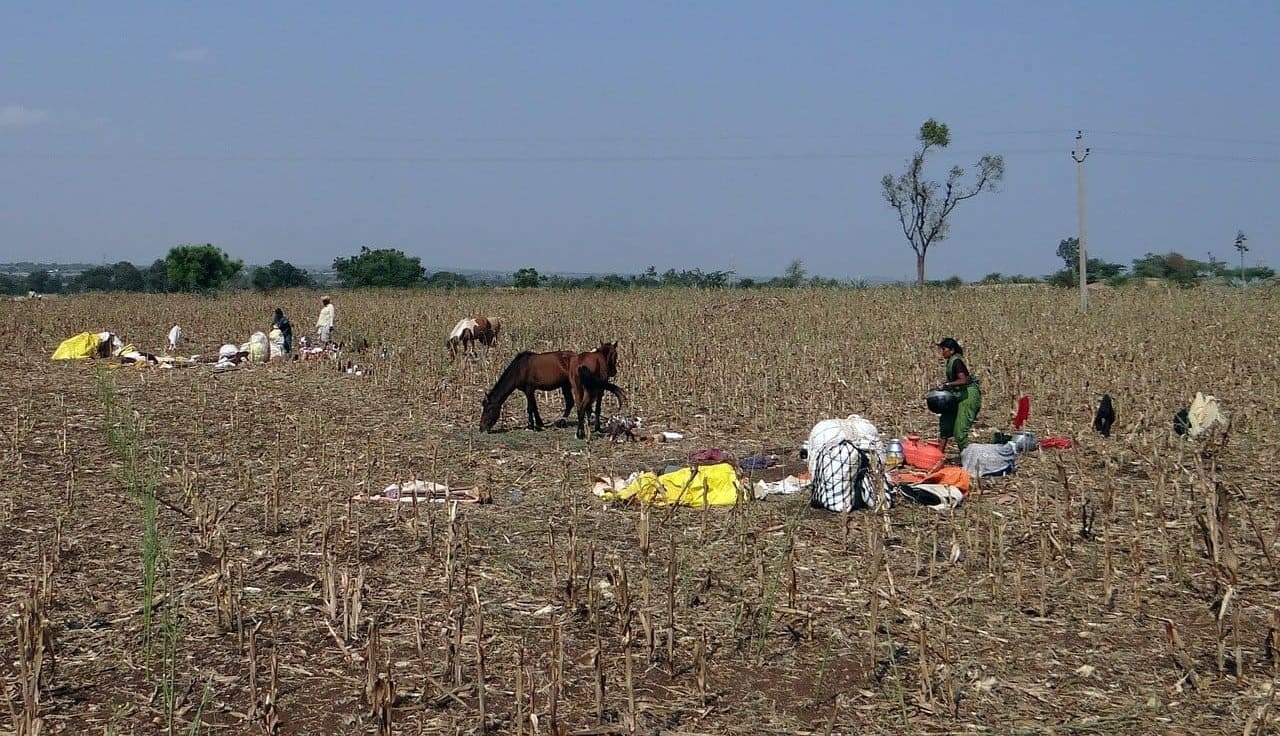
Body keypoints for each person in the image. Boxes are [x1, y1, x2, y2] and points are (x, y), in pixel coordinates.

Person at [936, 337, 981, 458]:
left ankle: (968, 459)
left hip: (968, 396)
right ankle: (937, 456)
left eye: (944, 349)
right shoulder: (951, 361)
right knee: (946, 422)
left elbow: (964, 380)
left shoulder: (957, 362)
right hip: (958, 395)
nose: (942, 352)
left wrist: (948, 385)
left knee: (960, 431)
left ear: (951, 350)